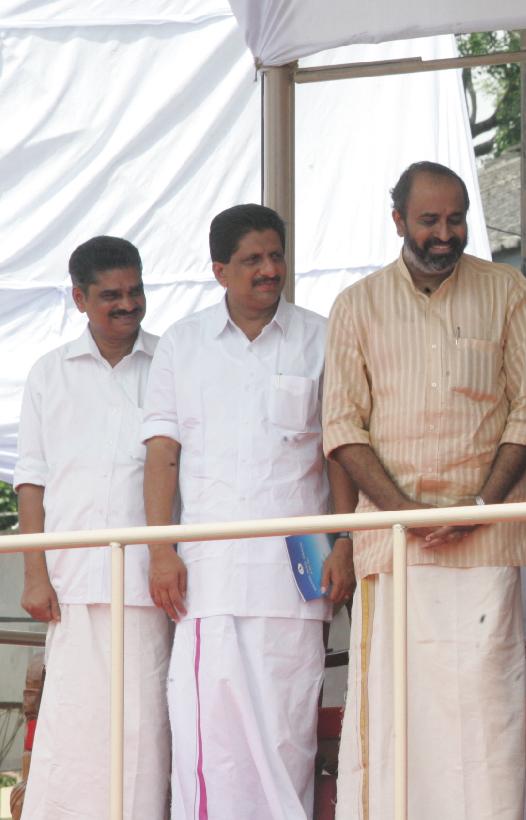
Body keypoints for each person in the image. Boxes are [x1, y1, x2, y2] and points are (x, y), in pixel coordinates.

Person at [323, 161, 526, 819]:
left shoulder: (506, 289)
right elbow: (342, 426)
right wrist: (405, 514)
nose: (445, 233)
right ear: (398, 220)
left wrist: (477, 508)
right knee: (398, 713)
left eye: (456, 219)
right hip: (394, 545)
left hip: (486, 541)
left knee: (483, 709)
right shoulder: (357, 304)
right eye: (429, 220)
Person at [142, 204, 356, 819]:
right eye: (252, 260)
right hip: (207, 577)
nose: (269, 270)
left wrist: (345, 541)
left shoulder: (322, 337)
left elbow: (340, 451)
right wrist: (160, 550)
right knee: (208, 738)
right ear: (219, 270)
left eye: (276, 256)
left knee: (288, 734)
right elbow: (162, 455)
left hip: (296, 576)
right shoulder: (184, 344)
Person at [15, 236, 169, 819]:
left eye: (135, 291)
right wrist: (35, 574)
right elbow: (32, 481)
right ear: (80, 298)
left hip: (151, 583)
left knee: (144, 731)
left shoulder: (171, 363)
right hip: (73, 583)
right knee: (73, 731)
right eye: (111, 295)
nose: (128, 304)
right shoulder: (49, 374)